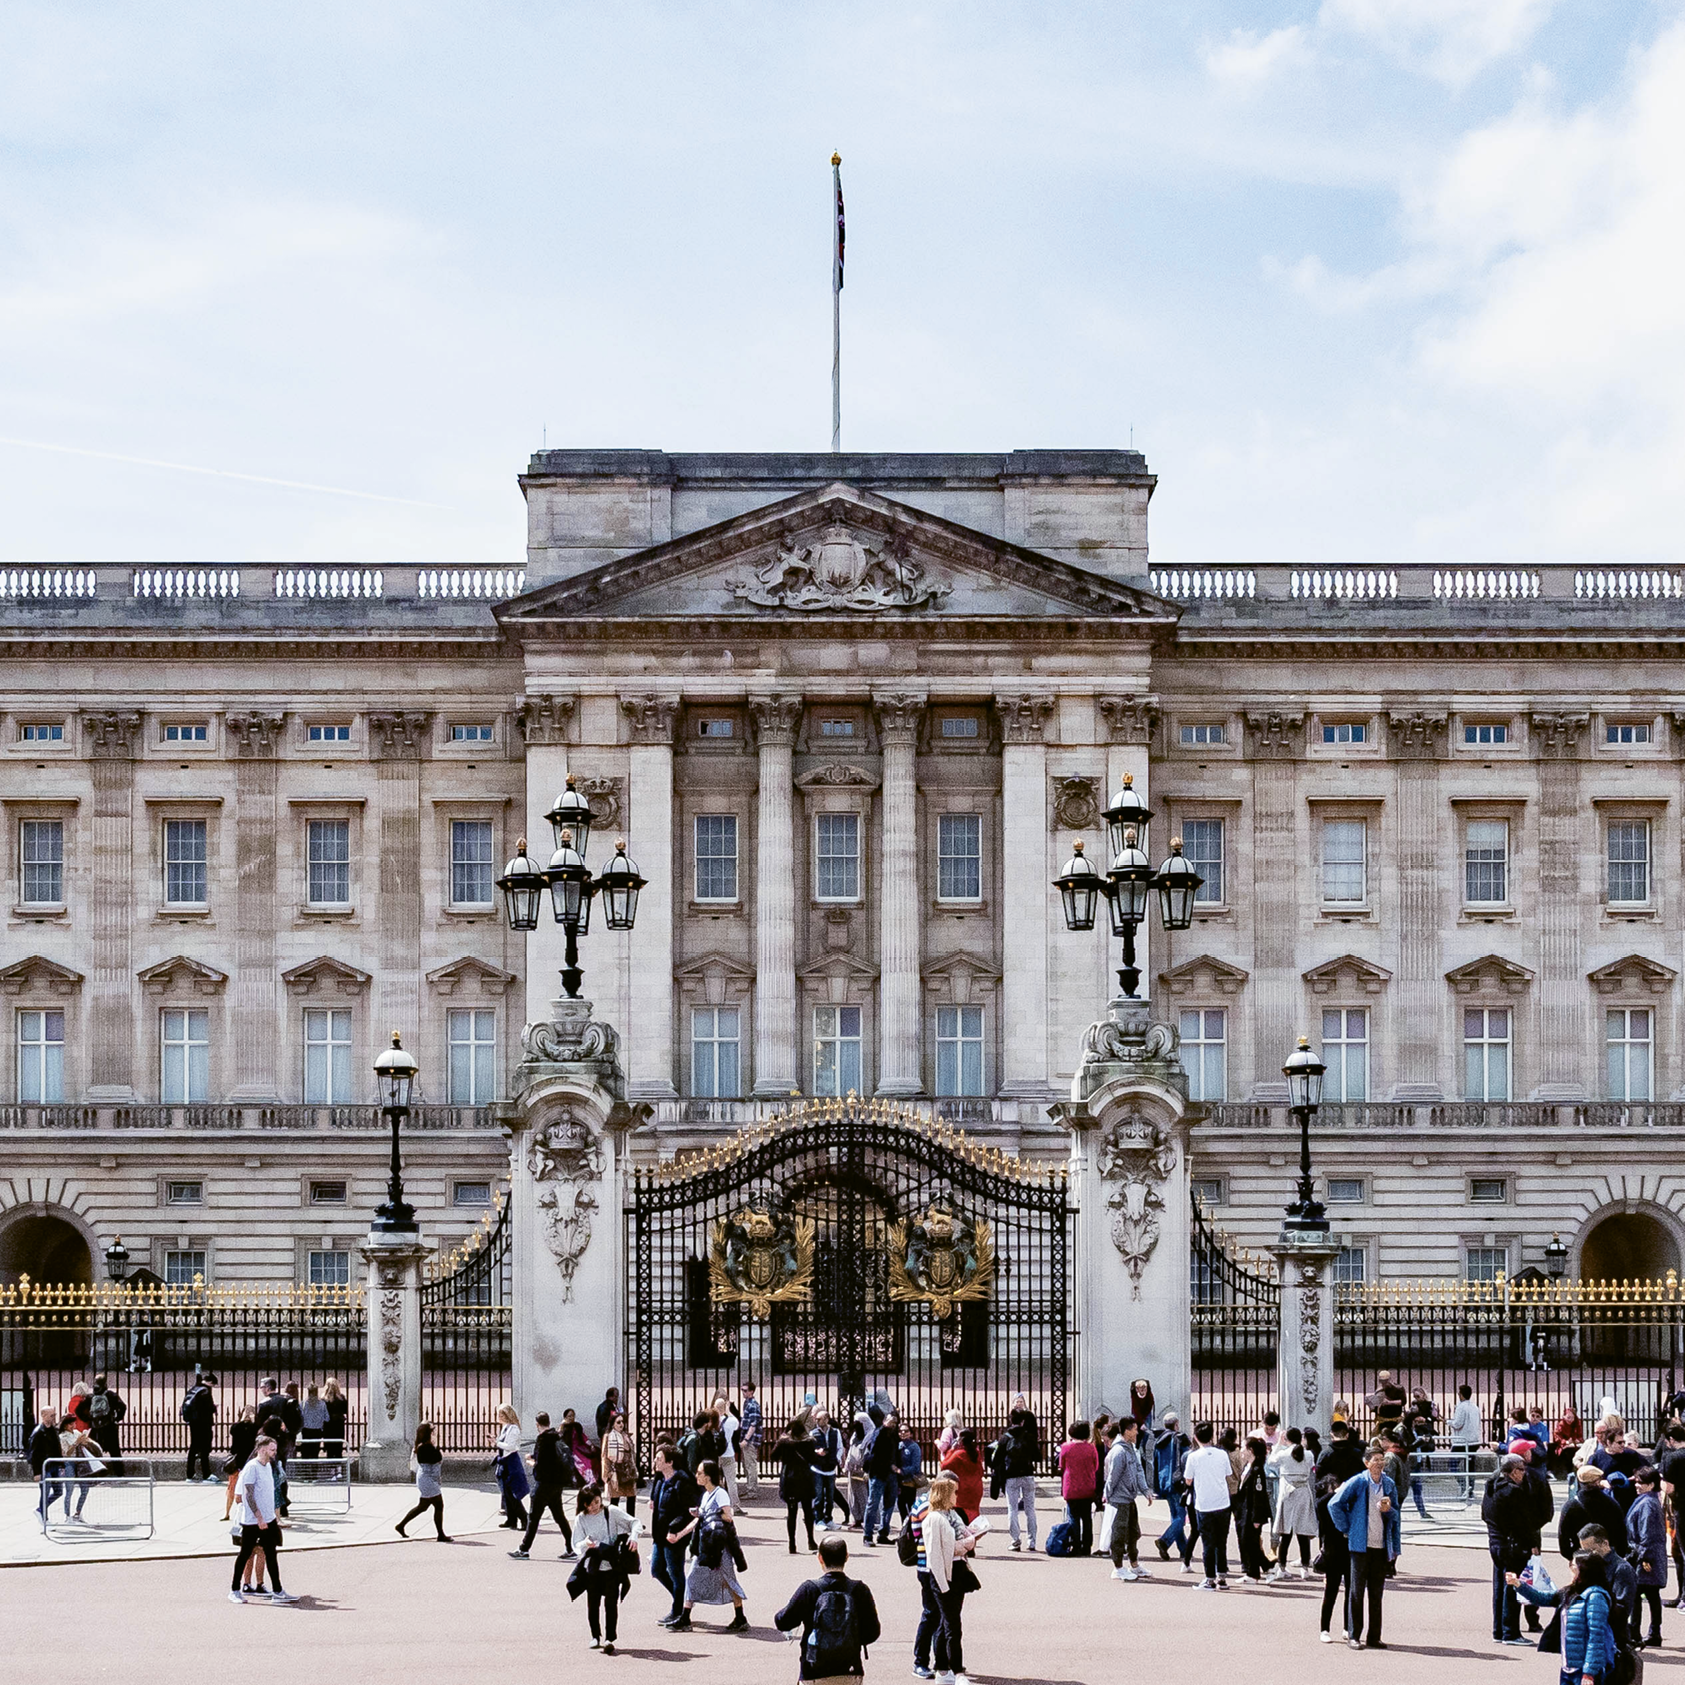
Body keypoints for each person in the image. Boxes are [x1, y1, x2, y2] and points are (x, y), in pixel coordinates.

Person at [775, 1533, 883, 1682]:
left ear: (820, 1558)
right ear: (846, 1557)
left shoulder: (809, 1589)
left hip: (814, 1671)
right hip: (850, 1669)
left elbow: (783, 1621)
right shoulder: (860, 1590)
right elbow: (873, 1632)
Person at [1329, 1444, 1401, 1650]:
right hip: (1360, 1545)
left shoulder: (1388, 1484)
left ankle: (1374, 1636)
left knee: (1377, 1593)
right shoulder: (1358, 1482)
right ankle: (1354, 1635)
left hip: (1380, 1545)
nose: (1379, 1463)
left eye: (1382, 1459)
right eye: (1375, 1460)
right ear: (1366, 1463)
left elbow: (1396, 1514)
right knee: (1356, 1592)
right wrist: (1347, 1528)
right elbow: (1334, 1504)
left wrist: (1388, 1511)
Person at [670, 1460, 749, 1632]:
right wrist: (681, 1534)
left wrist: (709, 1514)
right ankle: (685, 1617)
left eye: (699, 1472)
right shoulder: (706, 1495)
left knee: (729, 1579)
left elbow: (728, 1516)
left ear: (708, 1476)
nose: (697, 1475)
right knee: (692, 1577)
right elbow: (699, 1520)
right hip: (706, 1544)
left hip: (719, 1546)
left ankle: (740, 1617)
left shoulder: (720, 1494)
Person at [1513, 1551, 1614, 1685]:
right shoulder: (1571, 1591)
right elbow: (1544, 1598)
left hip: (1584, 1672)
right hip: (1568, 1668)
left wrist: (1589, 1673)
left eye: (1573, 1567)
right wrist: (1519, 1585)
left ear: (1584, 1571)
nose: (1570, 1571)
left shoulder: (1595, 1597)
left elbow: (1596, 1637)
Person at [1483, 1451, 1552, 1646]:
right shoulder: (1513, 1492)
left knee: (1500, 1586)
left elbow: (1485, 1515)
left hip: (1496, 1543)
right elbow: (1524, 1522)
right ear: (1513, 1472)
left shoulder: (1491, 1487)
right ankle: (1510, 1632)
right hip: (1512, 1544)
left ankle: (1499, 1630)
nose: (1525, 1473)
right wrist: (1532, 1545)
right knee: (1512, 1587)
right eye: (1521, 1469)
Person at [566, 1481, 638, 1654]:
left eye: (596, 1502)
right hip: (592, 1566)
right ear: (583, 1504)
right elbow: (575, 1544)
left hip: (612, 1564)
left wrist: (634, 1536)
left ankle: (609, 1638)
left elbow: (634, 1522)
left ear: (601, 1499)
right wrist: (586, 1543)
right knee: (593, 1603)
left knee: (611, 1603)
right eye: (589, 1504)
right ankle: (595, 1636)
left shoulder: (610, 1512)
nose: (594, 1507)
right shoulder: (581, 1519)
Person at [920, 1474, 976, 1685]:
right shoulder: (934, 1519)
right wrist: (943, 1584)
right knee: (953, 1624)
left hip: (958, 1571)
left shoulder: (952, 1515)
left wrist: (967, 1541)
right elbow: (935, 1553)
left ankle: (943, 1668)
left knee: (948, 1622)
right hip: (945, 1575)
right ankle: (955, 1669)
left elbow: (965, 1535)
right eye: (953, 1492)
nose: (956, 1496)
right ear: (944, 1494)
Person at [229, 1435, 296, 1603]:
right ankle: (235, 1590)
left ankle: (278, 1591)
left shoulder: (267, 1466)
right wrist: (258, 1516)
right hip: (253, 1520)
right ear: (262, 1449)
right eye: (272, 1449)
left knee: (271, 1554)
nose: (274, 1452)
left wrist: (271, 1516)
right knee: (245, 1553)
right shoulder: (252, 1467)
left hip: (268, 1518)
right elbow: (248, 1494)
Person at [511, 1410, 577, 1559]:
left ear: (537, 1424)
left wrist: (531, 1461)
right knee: (559, 1516)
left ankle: (524, 1548)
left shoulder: (542, 1439)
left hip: (543, 1483)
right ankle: (570, 1547)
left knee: (533, 1517)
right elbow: (551, 1458)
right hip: (556, 1483)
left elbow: (541, 1464)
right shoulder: (555, 1436)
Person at [650, 1443, 699, 1627]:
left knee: (676, 1572)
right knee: (657, 1569)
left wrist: (674, 1528)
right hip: (659, 1535)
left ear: (670, 1462)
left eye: (659, 1458)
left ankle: (678, 1610)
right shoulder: (661, 1480)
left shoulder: (682, 1481)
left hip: (674, 1536)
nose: (655, 1461)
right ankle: (682, 1598)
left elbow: (688, 1511)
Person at [1185, 1421, 1234, 1590]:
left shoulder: (1193, 1457)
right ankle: (1222, 1576)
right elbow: (1228, 1474)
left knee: (1208, 1543)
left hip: (1205, 1504)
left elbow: (1188, 1480)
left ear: (1196, 1437)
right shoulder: (1222, 1454)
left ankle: (1210, 1578)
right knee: (1221, 1542)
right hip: (1223, 1502)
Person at [1104, 1415, 1153, 1580]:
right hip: (1119, 1499)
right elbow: (1112, 1476)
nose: (1137, 1432)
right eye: (1134, 1429)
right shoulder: (1119, 1451)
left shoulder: (1131, 1448)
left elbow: (1138, 1470)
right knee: (1119, 1534)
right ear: (1127, 1430)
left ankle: (1134, 1564)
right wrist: (1108, 1495)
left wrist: (1145, 1490)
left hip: (1129, 1498)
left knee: (1133, 1533)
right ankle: (1118, 1567)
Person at [1578, 1521, 1639, 1650]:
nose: (1588, 1555)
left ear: (1605, 1543)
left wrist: (1594, 1615)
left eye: (1591, 1550)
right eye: (1584, 1551)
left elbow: (1622, 1610)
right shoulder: (1589, 1566)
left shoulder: (1622, 1569)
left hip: (1612, 1640)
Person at [1266, 1429, 1316, 1579]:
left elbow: (1270, 1462)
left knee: (1285, 1531)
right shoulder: (1308, 1454)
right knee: (1302, 1532)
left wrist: (1279, 1444)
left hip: (1287, 1492)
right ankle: (1305, 1568)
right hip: (1303, 1491)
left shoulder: (1284, 1454)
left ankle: (1281, 1566)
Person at [1629, 1464, 1667, 1647]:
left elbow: (1647, 1535)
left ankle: (1636, 1632)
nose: (1637, 1485)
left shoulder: (1647, 1505)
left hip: (1645, 1557)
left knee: (1636, 1595)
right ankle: (1654, 1632)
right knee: (1652, 1596)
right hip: (1650, 1555)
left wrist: (1641, 1558)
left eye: (1641, 1483)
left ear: (1651, 1484)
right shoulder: (1649, 1500)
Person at [1150, 1412, 1194, 1569]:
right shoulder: (1180, 1438)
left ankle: (1184, 1550)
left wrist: (1156, 1487)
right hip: (1178, 1482)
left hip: (1164, 1482)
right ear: (1176, 1425)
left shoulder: (1159, 1441)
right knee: (1181, 1518)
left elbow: (1154, 1465)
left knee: (1175, 1516)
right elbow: (1187, 1460)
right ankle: (1165, 1540)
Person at [395, 1422, 452, 1542]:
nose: (434, 1433)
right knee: (438, 1505)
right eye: (432, 1431)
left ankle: (401, 1525)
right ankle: (440, 1534)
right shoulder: (425, 1447)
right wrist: (436, 1446)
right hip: (428, 1479)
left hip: (427, 1478)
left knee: (423, 1506)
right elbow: (437, 1458)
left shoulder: (424, 1446)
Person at [994, 1401, 1039, 1553]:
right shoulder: (1029, 1436)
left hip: (1011, 1476)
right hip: (1027, 1474)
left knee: (1012, 1509)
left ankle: (1015, 1540)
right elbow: (1038, 1456)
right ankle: (1032, 1541)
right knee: (1030, 1509)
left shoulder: (1005, 1438)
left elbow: (996, 1459)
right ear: (1023, 1421)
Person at [1561, 1465, 1628, 1558]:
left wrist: (1572, 1556)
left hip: (1582, 1557)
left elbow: (1563, 1538)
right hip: (1607, 1556)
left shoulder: (1570, 1506)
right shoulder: (1611, 1504)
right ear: (1597, 1482)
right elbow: (1621, 1533)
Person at [1054, 1420, 1099, 1558]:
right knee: (1087, 1518)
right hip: (1088, 1486)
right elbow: (1096, 1466)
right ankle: (1087, 1546)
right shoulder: (1091, 1448)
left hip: (1071, 1486)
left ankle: (1076, 1545)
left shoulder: (1066, 1447)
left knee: (1073, 1517)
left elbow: (1061, 1465)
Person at [775, 1417, 819, 1553]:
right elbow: (813, 1459)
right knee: (808, 1511)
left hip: (790, 1479)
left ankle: (792, 1544)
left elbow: (773, 1456)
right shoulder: (809, 1442)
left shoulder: (784, 1442)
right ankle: (811, 1540)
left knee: (791, 1512)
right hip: (805, 1478)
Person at [1233, 1437, 1272, 1582]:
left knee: (1250, 1542)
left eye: (1243, 1447)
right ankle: (1265, 1567)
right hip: (1244, 1511)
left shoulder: (1257, 1470)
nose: (1241, 1450)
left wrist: (1257, 1517)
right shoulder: (1248, 1466)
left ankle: (1254, 1573)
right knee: (1248, 1542)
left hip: (1251, 1513)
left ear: (1251, 1450)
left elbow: (1258, 1495)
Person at [862, 1411, 900, 1547]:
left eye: (895, 1423)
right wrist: (885, 1427)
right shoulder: (879, 1433)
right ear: (885, 1421)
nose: (893, 1425)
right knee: (873, 1504)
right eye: (891, 1422)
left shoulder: (895, 1435)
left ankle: (883, 1533)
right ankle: (867, 1535)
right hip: (878, 1474)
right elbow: (874, 1451)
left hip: (892, 1475)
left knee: (889, 1506)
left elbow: (897, 1453)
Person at [495, 1403, 530, 1530]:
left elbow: (510, 1446)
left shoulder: (513, 1429)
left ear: (507, 1415)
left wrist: (496, 1442)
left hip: (511, 1463)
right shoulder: (505, 1427)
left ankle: (524, 1518)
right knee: (506, 1492)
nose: (498, 1416)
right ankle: (511, 1519)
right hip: (504, 1462)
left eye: (501, 1414)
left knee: (512, 1494)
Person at [222, 1405, 259, 1522]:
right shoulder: (252, 1427)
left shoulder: (238, 1427)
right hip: (246, 1462)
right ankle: (235, 1511)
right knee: (244, 1488)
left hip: (240, 1461)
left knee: (233, 1487)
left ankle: (227, 1512)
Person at [941, 1428, 985, 1524]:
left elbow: (944, 1466)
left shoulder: (958, 1454)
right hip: (976, 1488)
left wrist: (951, 1450)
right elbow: (981, 1471)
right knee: (973, 1515)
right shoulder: (975, 1452)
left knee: (961, 1519)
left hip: (962, 1490)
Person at [181, 1371, 217, 1482]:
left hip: (193, 1423)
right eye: (213, 1384)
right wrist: (214, 1408)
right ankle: (206, 1474)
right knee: (205, 1450)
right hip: (204, 1424)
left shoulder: (193, 1389)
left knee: (193, 1448)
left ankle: (190, 1474)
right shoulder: (205, 1391)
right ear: (210, 1382)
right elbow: (209, 1408)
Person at [29, 1405, 63, 1519]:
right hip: (44, 1466)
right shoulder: (38, 1432)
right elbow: (33, 1453)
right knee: (45, 1491)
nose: (53, 1417)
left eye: (54, 1415)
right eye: (51, 1415)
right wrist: (36, 1472)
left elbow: (57, 1448)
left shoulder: (53, 1430)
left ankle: (40, 1509)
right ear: (43, 1416)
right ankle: (44, 1517)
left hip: (54, 1464)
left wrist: (61, 1464)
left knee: (58, 1491)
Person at [812, 1408, 844, 1528]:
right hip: (818, 1468)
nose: (817, 1421)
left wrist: (837, 1458)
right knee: (819, 1496)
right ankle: (818, 1519)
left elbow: (840, 1447)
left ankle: (828, 1519)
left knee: (830, 1496)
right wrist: (817, 1452)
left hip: (830, 1468)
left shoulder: (835, 1432)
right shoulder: (813, 1433)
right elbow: (810, 1450)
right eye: (816, 1419)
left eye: (819, 1419)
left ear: (826, 1419)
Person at [603, 1410, 638, 1516]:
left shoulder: (626, 1436)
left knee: (631, 1497)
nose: (621, 1424)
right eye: (618, 1422)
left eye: (622, 1422)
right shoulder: (609, 1436)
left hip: (628, 1471)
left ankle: (631, 1523)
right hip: (616, 1471)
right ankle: (613, 1525)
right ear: (613, 1424)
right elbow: (605, 1457)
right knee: (614, 1500)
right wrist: (607, 1474)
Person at [87, 1373, 127, 1463]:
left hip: (95, 1426)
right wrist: (117, 1418)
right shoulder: (111, 1395)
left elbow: (79, 1409)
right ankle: (119, 1473)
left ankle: (94, 1471)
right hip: (109, 1425)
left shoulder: (90, 1396)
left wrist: (89, 1419)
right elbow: (123, 1406)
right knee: (115, 1451)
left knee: (93, 1450)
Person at [1317, 1420, 1366, 1486]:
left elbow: (1318, 1475)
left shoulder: (1325, 1454)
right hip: (1353, 1490)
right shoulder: (1357, 1453)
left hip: (1331, 1492)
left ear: (1331, 1434)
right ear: (1347, 1435)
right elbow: (1363, 1474)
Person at [844, 1415, 870, 1530]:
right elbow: (851, 1450)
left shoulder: (870, 1436)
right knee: (852, 1495)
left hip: (863, 1469)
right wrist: (846, 1465)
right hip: (852, 1468)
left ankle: (867, 1520)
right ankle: (856, 1518)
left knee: (863, 1495)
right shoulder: (855, 1436)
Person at [896, 1422, 924, 1529]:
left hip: (909, 1482)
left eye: (906, 1431)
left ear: (911, 1433)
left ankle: (912, 1528)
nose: (903, 1433)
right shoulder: (898, 1445)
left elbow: (915, 1467)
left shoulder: (914, 1447)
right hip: (899, 1482)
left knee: (910, 1506)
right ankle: (905, 1527)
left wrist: (901, 1471)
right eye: (901, 1431)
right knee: (901, 1505)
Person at [297, 1384, 329, 1460]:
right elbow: (327, 1418)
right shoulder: (322, 1404)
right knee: (315, 1452)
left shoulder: (303, 1403)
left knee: (305, 1452)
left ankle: (305, 1470)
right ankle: (314, 1470)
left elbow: (300, 1416)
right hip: (317, 1431)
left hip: (306, 1430)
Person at [321, 1379, 348, 1461]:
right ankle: (338, 1470)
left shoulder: (323, 1399)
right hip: (338, 1425)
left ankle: (330, 1469)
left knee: (329, 1449)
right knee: (338, 1449)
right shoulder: (341, 1398)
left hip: (328, 1426)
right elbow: (345, 1410)